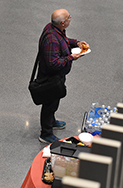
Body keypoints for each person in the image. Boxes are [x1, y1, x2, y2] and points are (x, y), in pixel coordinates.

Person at [37, 9, 89, 144]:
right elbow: (52, 64)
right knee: (49, 104)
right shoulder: (51, 40)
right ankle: (46, 133)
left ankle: (52, 121)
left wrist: (76, 43)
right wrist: (71, 57)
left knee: (54, 102)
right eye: (69, 18)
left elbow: (64, 41)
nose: (70, 19)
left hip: (57, 76)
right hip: (50, 78)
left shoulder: (53, 28)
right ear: (63, 23)